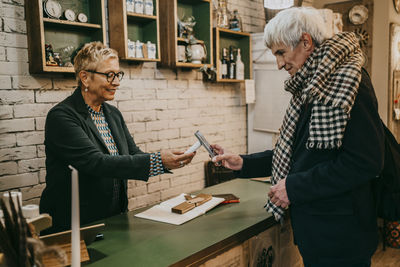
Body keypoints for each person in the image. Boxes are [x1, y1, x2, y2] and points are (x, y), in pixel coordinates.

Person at [211, 7, 385, 267]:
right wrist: (243, 162)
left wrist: (294, 187)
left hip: (342, 238)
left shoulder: (349, 83)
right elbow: (297, 154)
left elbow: (366, 162)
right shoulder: (312, 85)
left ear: (306, 41)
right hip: (319, 234)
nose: (279, 64)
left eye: (281, 52)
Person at [40, 42, 195, 234]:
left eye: (118, 74)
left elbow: (132, 154)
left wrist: (166, 162)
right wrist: (158, 160)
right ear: (85, 78)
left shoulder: (112, 114)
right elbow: (96, 162)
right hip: (75, 226)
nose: (117, 82)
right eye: (109, 75)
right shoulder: (62, 117)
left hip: (113, 219)